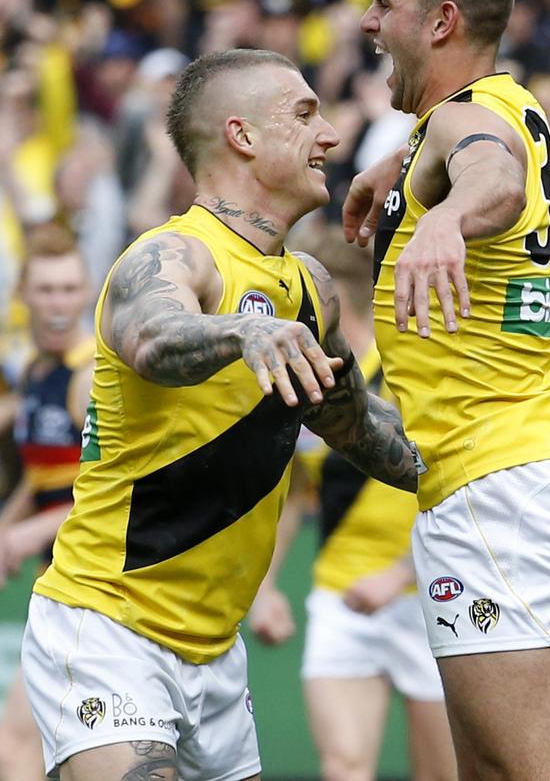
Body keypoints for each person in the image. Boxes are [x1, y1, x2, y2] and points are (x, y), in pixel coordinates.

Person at [20, 48, 419, 781]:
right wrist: (244, 329)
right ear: (242, 136)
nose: (329, 133)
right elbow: (152, 337)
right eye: (304, 114)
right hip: (110, 625)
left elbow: (359, 428)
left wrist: (474, 467)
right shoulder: (172, 255)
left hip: (216, 655)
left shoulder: (313, 288)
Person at [342, 0, 550, 780]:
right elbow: (481, 144)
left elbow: (491, 173)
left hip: (500, 494)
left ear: (442, 21)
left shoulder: (471, 127)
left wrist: (451, 219)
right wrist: (402, 162)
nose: (366, 21)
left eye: (386, 4)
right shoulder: (509, 105)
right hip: (513, 479)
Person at [250, 224, 456, 781]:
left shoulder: (415, 367)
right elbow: (292, 497)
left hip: (432, 597)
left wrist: (398, 575)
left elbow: (461, 487)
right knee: (344, 765)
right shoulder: (309, 378)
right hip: (340, 597)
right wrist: (264, 591)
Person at [0, 223, 94, 781]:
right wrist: (9, 527)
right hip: (54, 581)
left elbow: (115, 488)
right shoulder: (35, 373)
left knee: (21, 750)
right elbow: (42, 477)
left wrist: (29, 533)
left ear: (85, 293)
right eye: (47, 290)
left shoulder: (90, 377)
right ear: (24, 296)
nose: (59, 304)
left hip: (95, 586)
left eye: (69, 289)